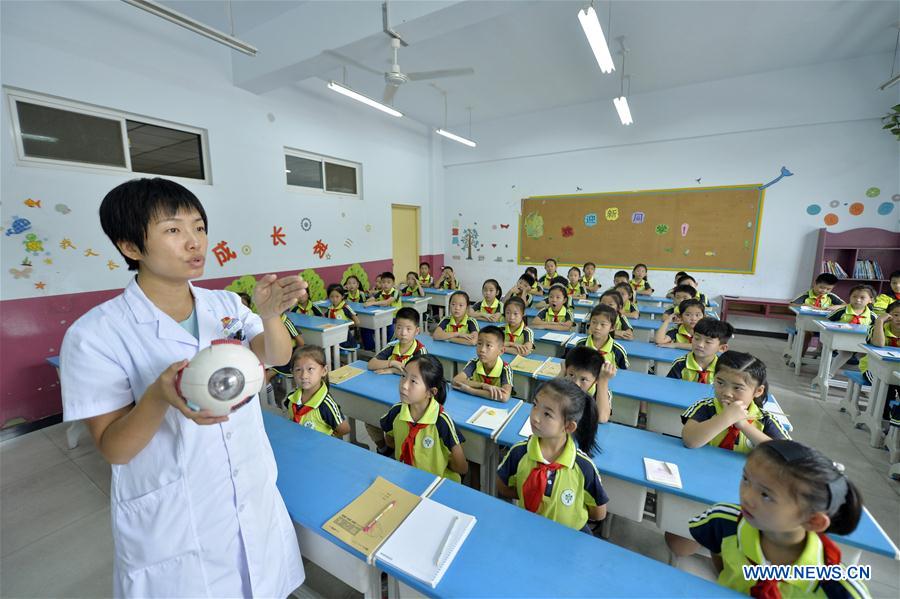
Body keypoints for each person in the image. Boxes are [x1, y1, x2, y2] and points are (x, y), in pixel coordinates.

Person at [59, 178, 305, 597]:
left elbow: (277, 356)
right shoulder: (95, 334)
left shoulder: (226, 305)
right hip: (174, 520)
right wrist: (158, 396)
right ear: (130, 247)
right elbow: (115, 448)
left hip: (251, 489)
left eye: (199, 227)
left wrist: (269, 316)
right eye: (173, 230)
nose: (195, 242)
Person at [676, 441, 869, 598]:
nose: (747, 497)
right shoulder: (723, 521)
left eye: (766, 495)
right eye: (746, 479)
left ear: (813, 521)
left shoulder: (841, 589)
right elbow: (720, 559)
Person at [497, 378, 608, 532]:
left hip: (568, 538)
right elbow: (502, 486)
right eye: (535, 405)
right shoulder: (519, 452)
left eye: (547, 414)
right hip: (528, 530)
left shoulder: (583, 467)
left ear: (568, 426)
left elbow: (599, 513)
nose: (535, 416)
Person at [681, 350, 790, 453]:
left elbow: (785, 454)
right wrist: (726, 418)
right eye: (720, 383)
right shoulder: (705, 407)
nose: (727, 393)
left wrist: (743, 425)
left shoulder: (765, 419)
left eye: (737, 388)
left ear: (758, 391)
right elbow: (690, 441)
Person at [380, 355, 468, 482]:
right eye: (403, 376)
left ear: (431, 392)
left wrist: (439, 463)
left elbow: (461, 467)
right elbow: (389, 441)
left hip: (436, 484)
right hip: (405, 477)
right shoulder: (396, 412)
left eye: (413, 381)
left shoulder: (442, 421)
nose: (404, 385)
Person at [286, 345, 350, 437]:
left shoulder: (326, 405)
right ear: (292, 372)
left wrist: (327, 438)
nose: (304, 376)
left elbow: (344, 429)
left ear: (324, 371)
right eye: (298, 370)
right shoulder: (291, 398)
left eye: (310, 369)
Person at [453, 326, 513, 402]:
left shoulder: (505, 368)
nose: (482, 350)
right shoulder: (474, 362)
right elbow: (456, 381)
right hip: (474, 403)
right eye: (479, 343)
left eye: (488, 345)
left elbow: (504, 396)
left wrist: (472, 391)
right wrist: (483, 386)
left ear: (501, 351)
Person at [667, 317, 733, 383]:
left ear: (722, 348)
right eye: (696, 338)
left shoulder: (723, 369)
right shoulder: (680, 364)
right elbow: (669, 387)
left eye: (708, 342)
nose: (700, 344)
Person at [563, 345, 616, 423]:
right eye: (571, 375)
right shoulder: (563, 383)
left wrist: (603, 380)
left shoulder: (601, 391)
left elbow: (602, 418)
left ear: (596, 380)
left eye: (583, 379)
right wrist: (561, 374)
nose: (576, 383)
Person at [368, 307, 427, 374]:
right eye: (399, 328)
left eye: (408, 329)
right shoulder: (391, 346)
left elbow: (420, 374)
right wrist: (393, 363)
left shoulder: (420, 350)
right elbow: (371, 364)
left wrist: (392, 370)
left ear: (416, 331)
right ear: (395, 328)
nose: (403, 333)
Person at [570, 304, 629, 370]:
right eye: (594, 322)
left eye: (603, 324)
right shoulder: (581, 344)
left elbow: (624, 373)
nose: (597, 327)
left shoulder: (618, 350)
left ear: (612, 328)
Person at [323, 283, 360, 350]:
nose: (334, 299)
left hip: (346, 338)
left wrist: (344, 326)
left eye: (337, 296)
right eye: (331, 297)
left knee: (329, 345)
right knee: (325, 343)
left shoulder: (345, 307)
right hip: (333, 335)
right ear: (328, 297)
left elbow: (357, 322)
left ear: (342, 296)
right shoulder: (330, 309)